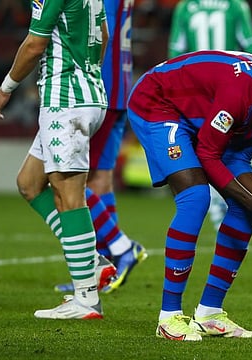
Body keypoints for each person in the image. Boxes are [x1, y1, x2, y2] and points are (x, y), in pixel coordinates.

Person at [127, 50, 252, 341]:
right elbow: (208, 153)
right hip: (160, 103)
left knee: (246, 209)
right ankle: (168, 318)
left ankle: (209, 313)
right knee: (195, 198)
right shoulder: (241, 93)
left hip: (203, 115)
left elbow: (236, 159)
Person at [0, 0, 109, 319]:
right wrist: (88, 73)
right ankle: (92, 263)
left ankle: (85, 299)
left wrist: (6, 87)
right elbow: (103, 35)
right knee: (29, 183)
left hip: (65, 103)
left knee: (69, 198)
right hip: (88, 95)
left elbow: (34, 43)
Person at [54, 0, 148, 295]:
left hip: (97, 87)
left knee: (67, 177)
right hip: (119, 86)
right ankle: (102, 266)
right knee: (99, 180)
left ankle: (121, 248)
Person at [168, 0, 252, 230]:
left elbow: (174, 52)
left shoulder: (185, 7)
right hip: (229, 84)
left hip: (194, 86)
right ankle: (222, 198)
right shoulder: (236, 6)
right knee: (222, 144)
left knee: (202, 145)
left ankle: (213, 199)